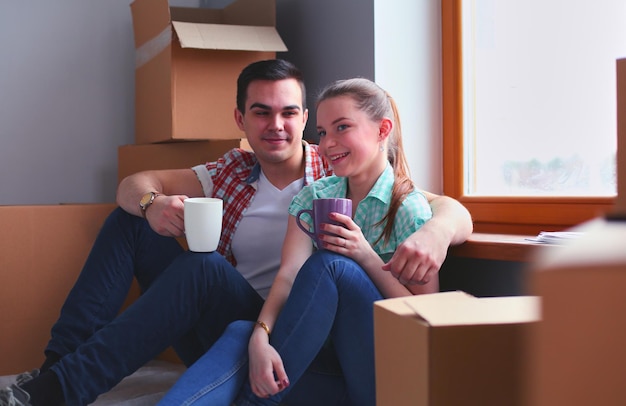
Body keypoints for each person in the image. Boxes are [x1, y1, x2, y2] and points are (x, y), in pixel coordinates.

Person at [0, 60, 472, 406]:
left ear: (304, 119)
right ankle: (55, 373)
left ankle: (56, 391)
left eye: (289, 113)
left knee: (203, 268)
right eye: (262, 113)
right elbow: (133, 185)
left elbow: (434, 205)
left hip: (300, 327)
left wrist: (438, 230)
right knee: (131, 220)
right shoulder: (231, 170)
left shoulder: (332, 171)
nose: (277, 125)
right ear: (240, 121)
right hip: (239, 315)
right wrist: (153, 205)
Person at [158, 77, 441, 406]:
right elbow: (288, 275)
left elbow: (428, 320)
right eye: (322, 132)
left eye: (342, 127)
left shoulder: (408, 208)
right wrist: (261, 335)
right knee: (241, 333)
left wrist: (364, 255)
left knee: (331, 266)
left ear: (382, 130)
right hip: (320, 364)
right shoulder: (316, 196)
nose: (328, 143)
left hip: (380, 371)